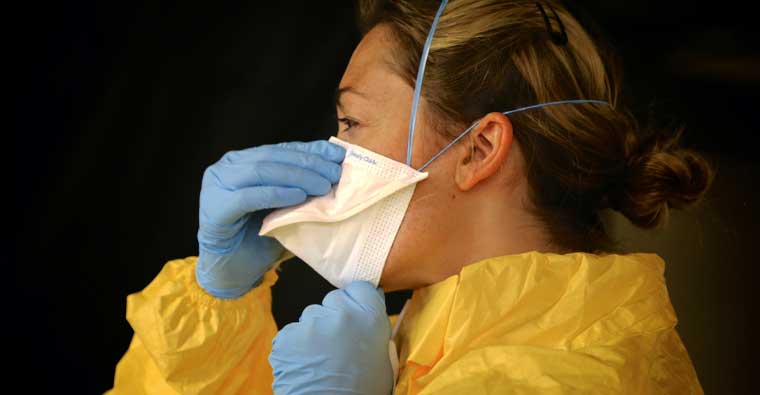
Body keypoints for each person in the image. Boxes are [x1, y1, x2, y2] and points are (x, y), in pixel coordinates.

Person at [107, 0, 712, 394]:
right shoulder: (415, 347)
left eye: (351, 124)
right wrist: (217, 306)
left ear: (477, 151)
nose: (332, 153)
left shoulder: (585, 378)